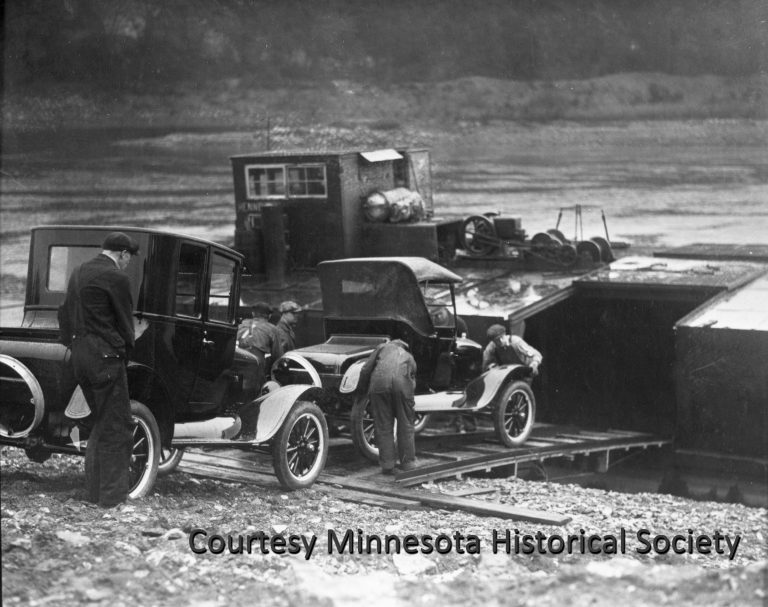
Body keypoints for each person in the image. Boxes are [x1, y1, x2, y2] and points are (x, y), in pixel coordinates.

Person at [58, 231, 139, 508]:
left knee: (100, 424)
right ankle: (113, 497)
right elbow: (126, 324)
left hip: (80, 357)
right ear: (123, 254)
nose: (128, 263)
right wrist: (125, 351)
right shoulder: (117, 277)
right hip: (106, 358)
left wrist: (74, 343)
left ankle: (94, 493)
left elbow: (64, 313)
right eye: (129, 258)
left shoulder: (79, 271)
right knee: (118, 427)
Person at [358, 339, 417, 475]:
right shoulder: (410, 357)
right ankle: (408, 464)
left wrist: (361, 391)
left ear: (392, 343)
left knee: (383, 425)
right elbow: (413, 379)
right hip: (403, 387)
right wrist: (407, 395)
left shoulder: (382, 347)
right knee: (406, 424)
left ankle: (387, 465)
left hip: (379, 386)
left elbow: (366, 369)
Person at [237, 301, 283, 386]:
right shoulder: (272, 329)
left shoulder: (242, 324)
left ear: (253, 313)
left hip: (237, 363)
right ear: (269, 316)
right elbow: (277, 355)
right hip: (256, 367)